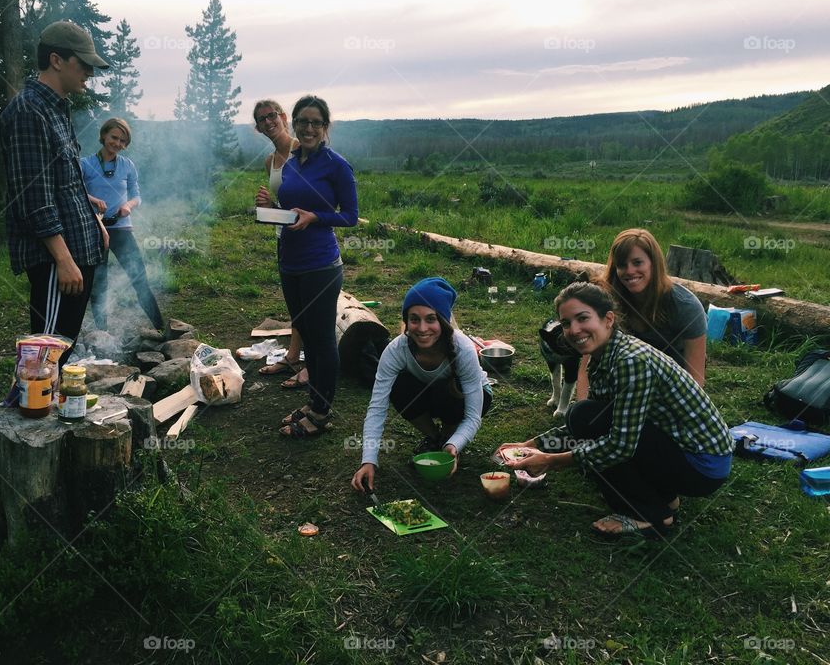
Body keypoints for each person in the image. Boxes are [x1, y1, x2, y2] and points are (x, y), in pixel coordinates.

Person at [500, 282, 733, 539]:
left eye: (582, 318)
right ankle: (664, 498)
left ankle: (650, 516)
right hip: (680, 448)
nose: (574, 330)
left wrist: (551, 461)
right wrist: (532, 444)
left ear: (608, 319)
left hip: (703, 465)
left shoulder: (630, 361)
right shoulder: (604, 356)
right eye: (566, 323)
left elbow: (620, 446)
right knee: (583, 416)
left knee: (596, 435)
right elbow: (589, 422)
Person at [0, 20, 110, 361]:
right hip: (55, 261)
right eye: (84, 62)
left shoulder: (56, 108)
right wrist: (63, 259)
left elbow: (65, 182)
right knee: (44, 355)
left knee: (62, 348)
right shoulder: (28, 111)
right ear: (56, 60)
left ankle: (52, 408)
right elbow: (34, 197)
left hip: (78, 251)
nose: (90, 71)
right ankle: (27, 411)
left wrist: (95, 221)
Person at [351, 278, 492, 491]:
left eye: (431, 319)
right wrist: (368, 460)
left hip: (465, 397)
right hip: (427, 392)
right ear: (406, 321)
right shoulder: (396, 350)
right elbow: (377, 407)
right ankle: (434, 438)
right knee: (400, 385)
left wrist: (455, 444)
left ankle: (449, 441)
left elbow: (473, 416)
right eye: (414, 319)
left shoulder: (462, 348)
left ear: (443, 321)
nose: (422, 328)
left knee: (448, 391)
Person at [276, 95, 358, 437]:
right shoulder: (291, 162)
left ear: (325, 128)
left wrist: (316, 217)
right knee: (306, 334)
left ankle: (321, 412)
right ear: (294, 123)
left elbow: (350, 216)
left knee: (322, 340)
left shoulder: (337, 165)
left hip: (320, 265)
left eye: (315, 123)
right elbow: (290, 208)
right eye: (303, 121)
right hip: (289, 261)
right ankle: (312, 401)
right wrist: (270, 206)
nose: (308, 128)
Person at [81, 117, 164, 332]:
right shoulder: (86, 164)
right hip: (95, 230)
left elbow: (137, 195)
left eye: (122, 141)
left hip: (122, 228)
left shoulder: (127, 165)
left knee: (139, 278)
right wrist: (93, 200)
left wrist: (129, 204)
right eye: (114, 138)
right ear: (103, 136)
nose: (117, 144)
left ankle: (160, 328)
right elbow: (75, 191)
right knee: (99, 284)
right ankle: (102, 332)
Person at [601, 228, 707, 385]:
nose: (629, 271)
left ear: (653, 263)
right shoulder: (608, 299)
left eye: (637, 263)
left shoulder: (686, 306)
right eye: (622, 265)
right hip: (624, 380)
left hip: (672, 385)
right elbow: (588, 363)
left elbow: (696, 379)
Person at [252, 99, 307, 389]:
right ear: (259, 128)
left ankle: (312, 366)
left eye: (272, 115)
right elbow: (284, 205)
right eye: (262, 119)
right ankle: (293, 355)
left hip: (309, 237)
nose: (268, 122)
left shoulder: (303, 149)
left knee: (310, 301)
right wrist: (268, 205)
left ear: (283, 117)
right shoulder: (270, 161)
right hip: (283, 237)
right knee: (294, 300)